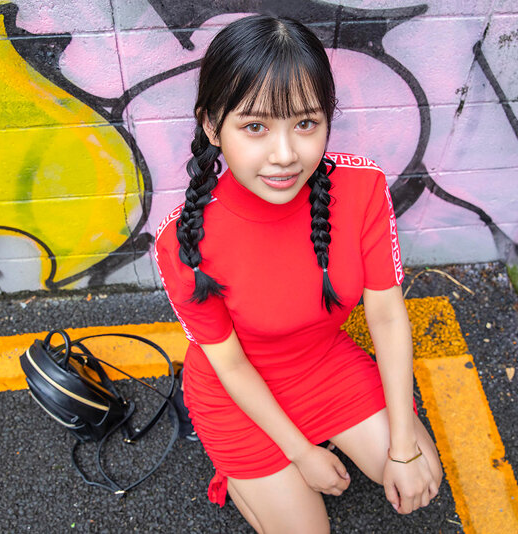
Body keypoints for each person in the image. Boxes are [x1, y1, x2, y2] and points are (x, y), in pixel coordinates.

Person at [154, 14, 443, 533]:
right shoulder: (182, 239)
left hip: (323, 364)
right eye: (255, 127)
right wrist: (302, 453)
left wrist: (403, 447)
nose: (286, 155)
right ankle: (240, 477)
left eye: (306, 124)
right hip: (238, 395)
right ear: (212, 126)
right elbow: (231, 365)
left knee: (420, 478)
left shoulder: (363, 189)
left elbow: (385, 315)